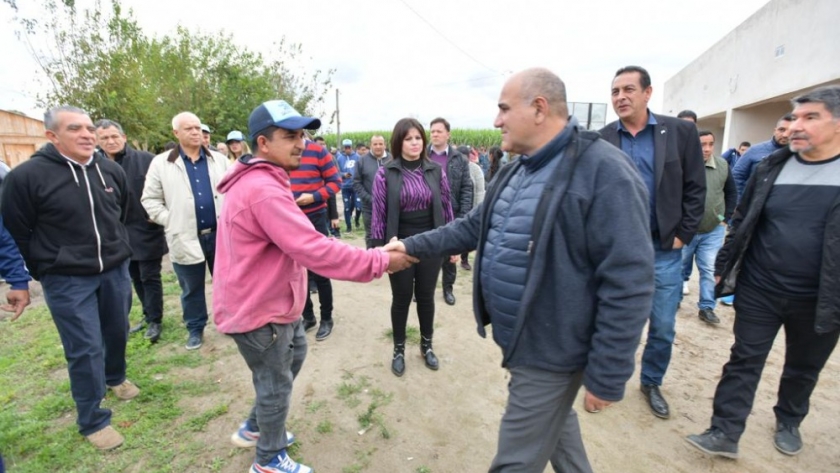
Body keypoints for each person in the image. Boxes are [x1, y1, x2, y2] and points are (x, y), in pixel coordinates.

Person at [385, 68, 653, 471]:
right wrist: (409, 246)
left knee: (514, 461)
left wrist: (610, 372)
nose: (496, 120)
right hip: (525, 341)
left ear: (539, 108)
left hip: (554, 351)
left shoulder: (603, 171)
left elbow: (629, 280)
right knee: (559, 432)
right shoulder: (516, 168)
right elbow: (472, 227)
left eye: (504, 109)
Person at [213, 99, 416, 473]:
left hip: (275, 303)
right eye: (290, 135)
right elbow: (314, 249)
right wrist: (381, 261)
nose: (302, 143)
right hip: (260, 311)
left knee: (295, 355)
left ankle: (258, 427)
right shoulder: (263, 190)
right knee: (275, 385)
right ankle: (268, 460)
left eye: (303, 134)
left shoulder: (267, 180)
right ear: (262, 144)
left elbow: (305, 240)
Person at [686, 86, 840, 460]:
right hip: (760, 287)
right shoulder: (773, 165)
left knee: (802, 367)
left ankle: (788, 420)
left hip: (820, 297)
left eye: (810, 117)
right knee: (744, 358)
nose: (795, 126)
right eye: (795, 117)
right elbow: (742, 221)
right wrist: (725, 267)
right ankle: (724, 430)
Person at [1, 106, 137, 450]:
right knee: (85, 347)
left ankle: (115, 377)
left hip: (115, 270)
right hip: (66, 279)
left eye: (90, 127)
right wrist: (45, 267)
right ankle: (93, 419)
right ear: (52, 136)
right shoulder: (27, 177)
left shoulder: (109, 170)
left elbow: (122, 213)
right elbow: (18, 229)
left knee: (118, 329)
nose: (87, 134)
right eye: (75, 128)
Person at [599, 65, 706, 420]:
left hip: (663, 251)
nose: (620, 97)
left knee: (661, 324)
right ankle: (607, 380)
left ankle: (651, 382)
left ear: (648, 93)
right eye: (615, 92)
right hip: (616, 251)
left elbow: (694, 186)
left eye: (628, 89)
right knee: (611, 319)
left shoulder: (678, 133)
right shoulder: (602, 139)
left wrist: (683, 235)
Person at [371, 118, 455, 377]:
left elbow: (446, 205)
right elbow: (379, 214)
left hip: (430, 242)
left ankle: (426, 345)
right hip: (400, 244)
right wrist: (379, 252)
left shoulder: (435, 171)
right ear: (399, 142)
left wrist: (453, 241)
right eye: (409, 138)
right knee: (402, 298)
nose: (415, 142)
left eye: (418, 137)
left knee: (427, 297)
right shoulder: (386, 173)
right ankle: (398, 349)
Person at [142, 112, 231, 350]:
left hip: (219, 234)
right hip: (185, 236)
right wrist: (170, 220)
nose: (195, 132)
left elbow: (233, 190)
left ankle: (231, 322)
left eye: (198, 128)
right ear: (176, 133)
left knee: (227, 282)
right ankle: (195, 328)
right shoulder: (162, 163)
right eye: (189, 128)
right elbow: (149, 199)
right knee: (191, 288)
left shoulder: (219, 160)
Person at [94, 119, 168, 343]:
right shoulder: (96, 166)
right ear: (98, 141)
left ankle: (156, 319)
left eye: (114, 136)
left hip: (146, 228)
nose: (111, 141)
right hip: (118, 232)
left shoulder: (146, 160)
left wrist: (158, 214)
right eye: (105, 138)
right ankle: (147, 314)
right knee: (134, 275)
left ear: (124, 137)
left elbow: (165, 188)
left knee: (149, 276)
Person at [680, 130, 736, 324]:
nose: (707, 148)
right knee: (678, 267)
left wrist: (724, 219)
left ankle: (706, 307)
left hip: (713, 230)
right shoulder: (683, 164)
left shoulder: (722, 165)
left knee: (709, 269)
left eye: (710, 144)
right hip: (685, 230)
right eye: (702, 144)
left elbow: (731, 194)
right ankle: (674, 300)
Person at [289, 137, 342, 341]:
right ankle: (308, 317)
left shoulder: (318, 151)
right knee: (294, 269)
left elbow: (335, 182)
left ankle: (326, 318)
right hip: (288, 217)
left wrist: (313, 197)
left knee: (320, 268)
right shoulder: (281, 151)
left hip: (315, 216)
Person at [428, 117, 473, 305]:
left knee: (450, 254)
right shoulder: (422, 155)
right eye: (432, 131)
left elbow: (466, 188)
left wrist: (462, 217)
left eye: (439, 131)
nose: (435, 134)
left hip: (451, 213)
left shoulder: (458, 159)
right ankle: (423, 287)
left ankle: (448, 288)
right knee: (424, 252)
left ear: (448, 134)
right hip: (425, 212)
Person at [732, 115, 793, 198]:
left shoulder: (799, 154)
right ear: (775, 131)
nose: (785, 135)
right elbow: (737, 175)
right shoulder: (754, 150)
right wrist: (740, 202)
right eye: (781, 130)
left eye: (790, 131)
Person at [353, 135, 391, 248]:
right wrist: (370, 199)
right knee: (371, 236)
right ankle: (372, 262)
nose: (378, 146)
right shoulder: (362, 161)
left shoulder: (393, 160)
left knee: (390, 235)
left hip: (389, 207)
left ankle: (389, 262)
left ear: (385, 145)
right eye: (375, 144)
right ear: (370, 146)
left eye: (380, 144)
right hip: (370, 207)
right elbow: (356, 182)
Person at [457, 145, 486, 271]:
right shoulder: (454, 168)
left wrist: (477, 209)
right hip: (457, 206)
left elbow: (480, 190)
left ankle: (464, 258)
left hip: (471, 207)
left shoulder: (475, 170)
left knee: (466, 234)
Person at [336, 139, 361, 232]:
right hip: (345, 187)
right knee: (347, 207)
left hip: (355, 186)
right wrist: (343, 175)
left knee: (358, 206)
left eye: (349, 147)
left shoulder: (357, 157)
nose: (347, 149)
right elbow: (336, 172)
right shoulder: (339, 158)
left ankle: (357, 220)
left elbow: (361, 170)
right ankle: (348, 227)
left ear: (352, 147)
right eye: (346, 147)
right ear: (343, 148)